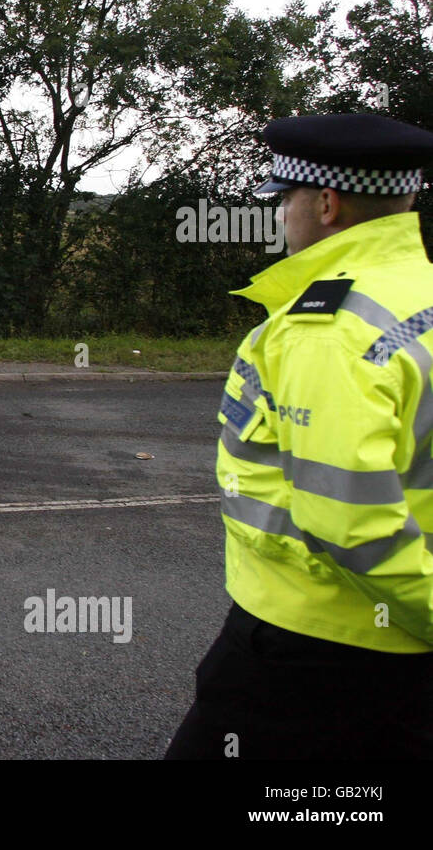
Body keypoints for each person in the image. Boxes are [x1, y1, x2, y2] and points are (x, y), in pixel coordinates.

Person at [166, 113, 433, 759]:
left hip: (316, 648)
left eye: (284, 200)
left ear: (327, 203)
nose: (281, 216)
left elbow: (350, 523)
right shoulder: (417, 294)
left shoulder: (330, 329)